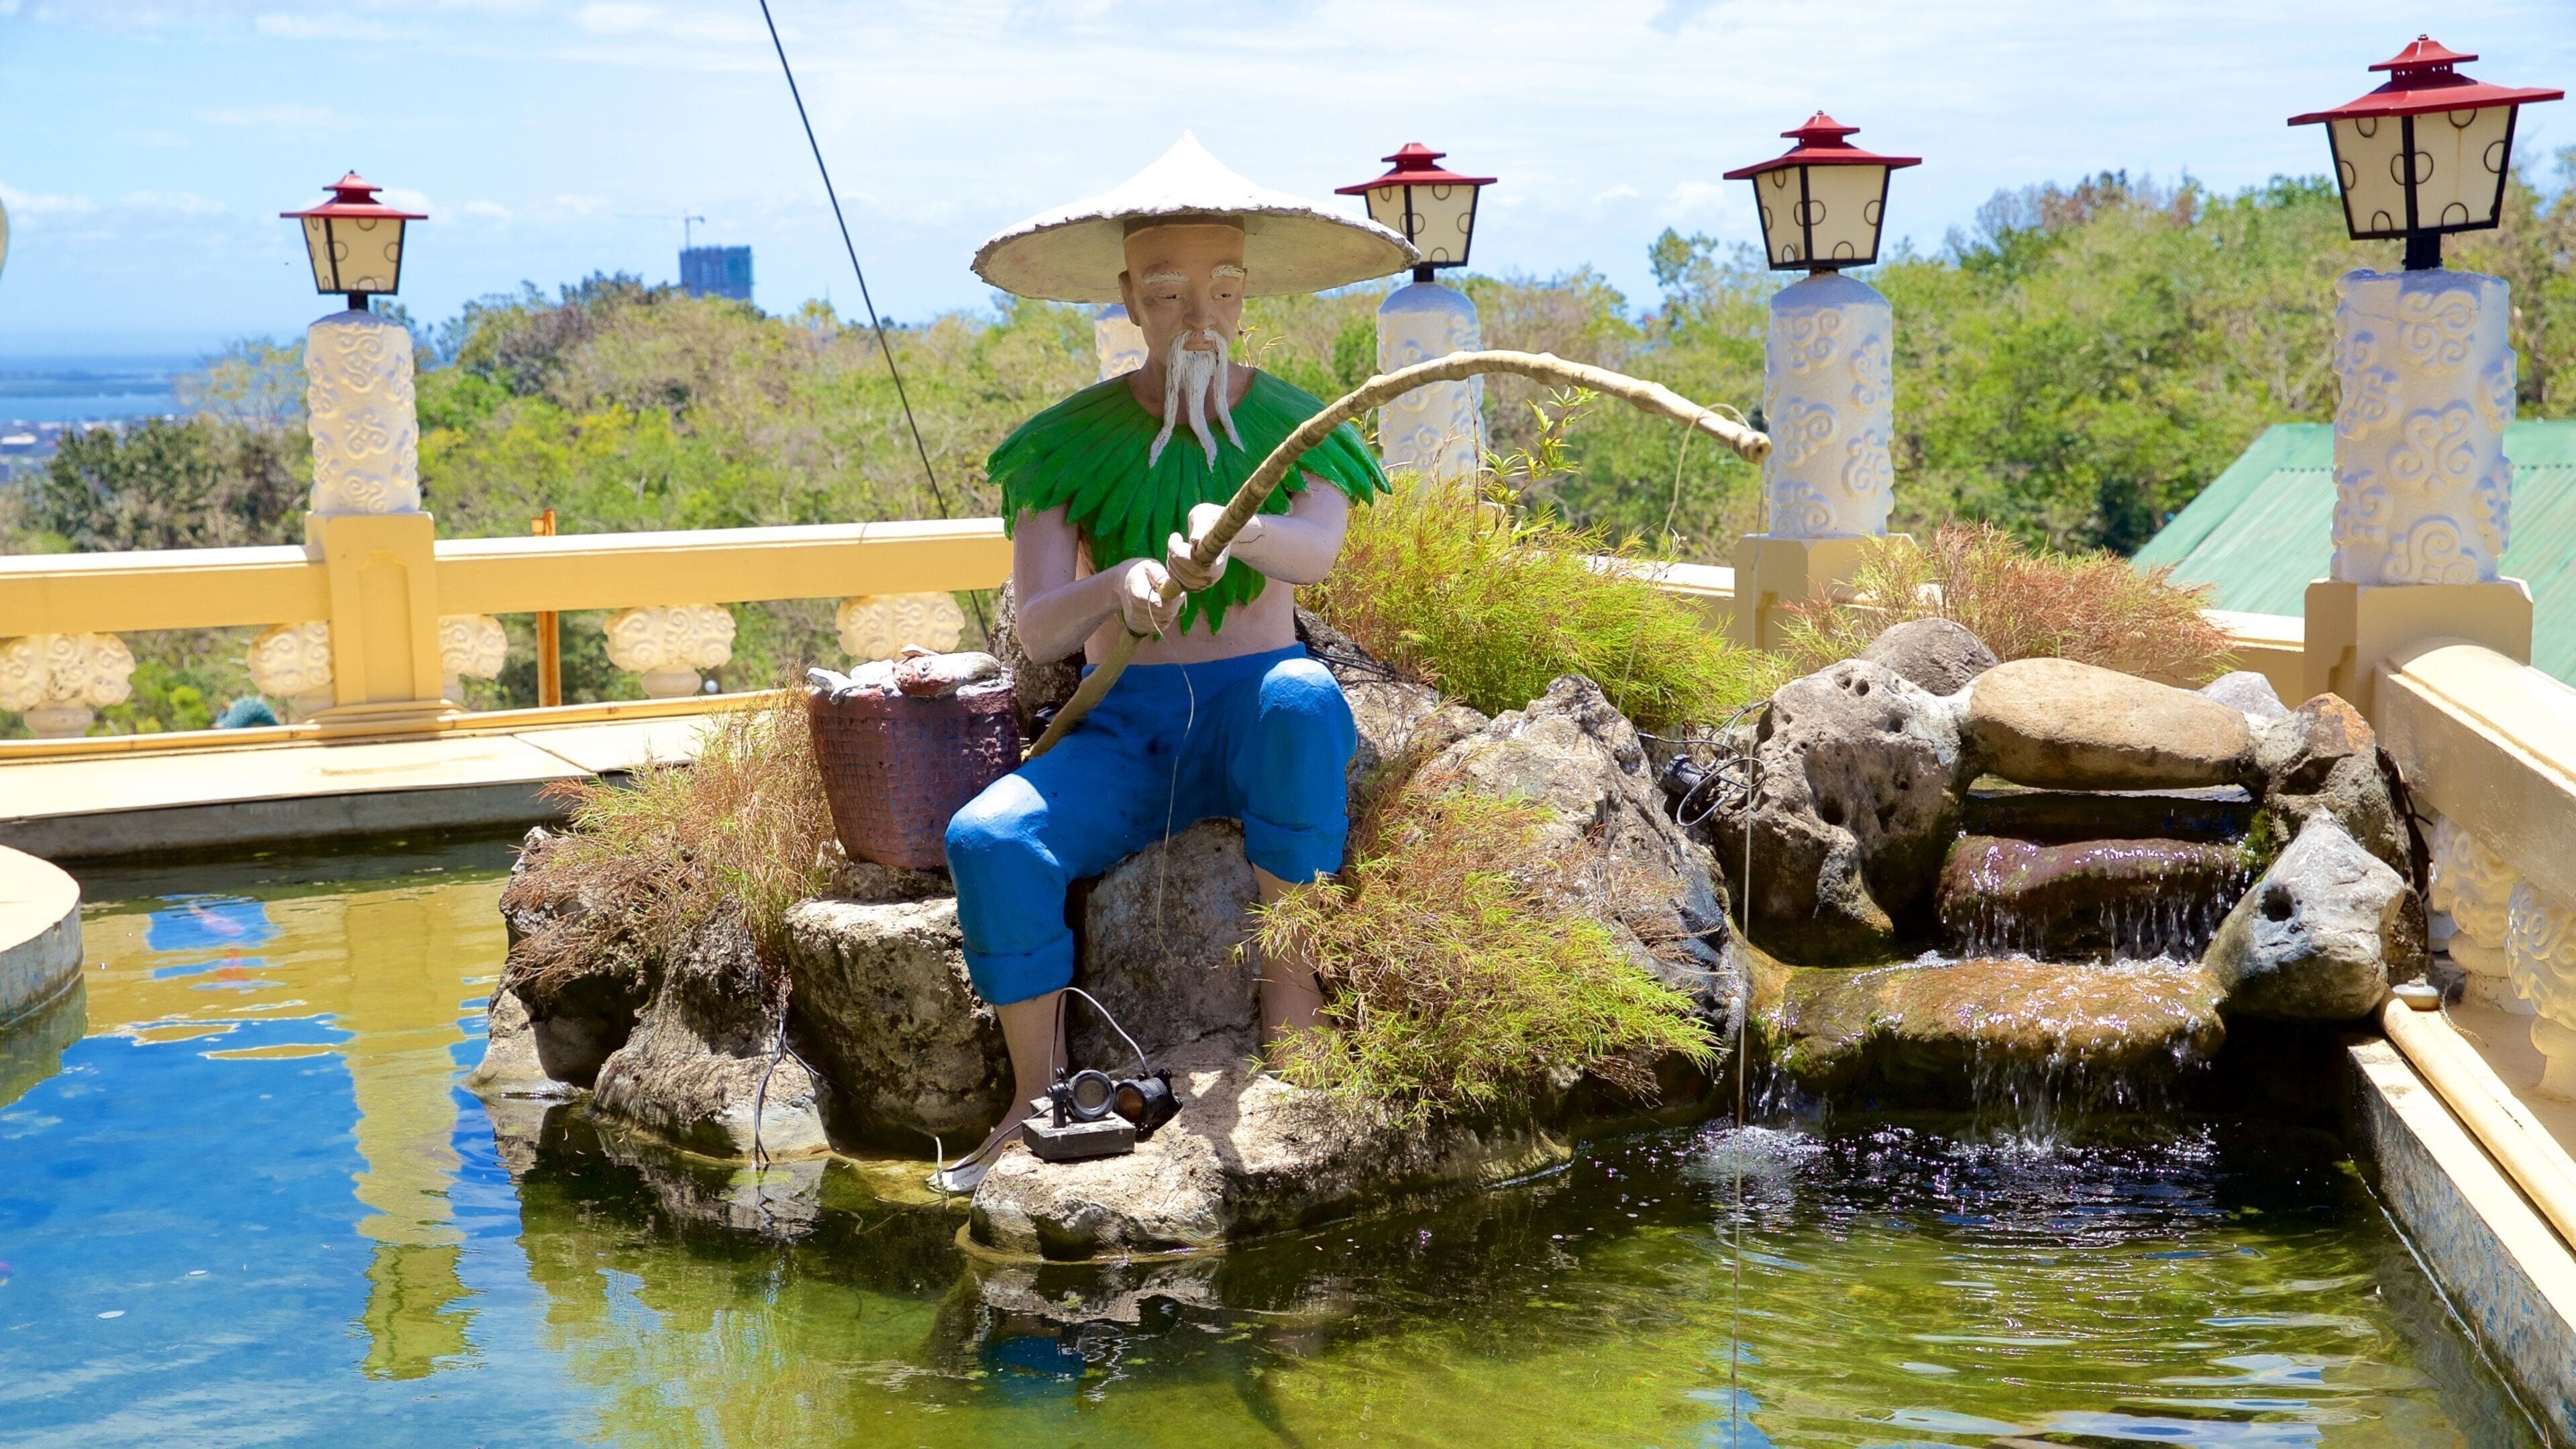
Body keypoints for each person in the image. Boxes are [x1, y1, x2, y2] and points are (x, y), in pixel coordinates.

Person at [932, 134, 1417, 1191]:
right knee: (990, 835)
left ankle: (1293, 1003)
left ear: (1246, 300)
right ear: (1127, 302)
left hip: (1258, 717)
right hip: (1126, 729)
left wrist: (1238, 532)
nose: (1197, 319)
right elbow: (1043, 625)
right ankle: (1036, 1090)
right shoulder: (1064, 445)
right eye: (1166, 295)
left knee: (1298, 695)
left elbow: (1320, 551)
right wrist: (1119, 586)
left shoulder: (1300, 424)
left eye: (1223, 292)